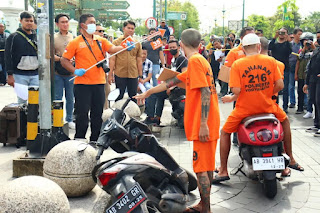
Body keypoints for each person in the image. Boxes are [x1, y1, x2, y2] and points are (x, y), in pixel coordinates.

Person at [135, 28, 220, 213]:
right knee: (207, 166)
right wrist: (147, 93)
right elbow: (171, 82)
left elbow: (205, 91)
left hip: (203, 123)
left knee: (200, 169)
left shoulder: (196, 61)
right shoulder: (199, 61)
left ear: (181, 44)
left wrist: (203, 124)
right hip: (207, 121)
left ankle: (206, 208)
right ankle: (204, 205)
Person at [215, 34, 303, 184]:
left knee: (225, 133)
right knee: (285, 122)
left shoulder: (238, 64)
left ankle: (223, 169)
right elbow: (280, 85)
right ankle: (291, 159)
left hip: (244, 110)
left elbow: (236, 90)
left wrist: (235, 96)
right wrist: (265, 94)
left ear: (243, 49)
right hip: (268, 107)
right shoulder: (270, 61)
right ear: (259, 47)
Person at [61, 13, 124, 143]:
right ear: (83, 25)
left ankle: (95, 139)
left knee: (97, 114)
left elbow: (112, 49)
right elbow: (64, 60)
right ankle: (79, 138)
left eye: (94, 22)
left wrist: (125, 46)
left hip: (99, 83)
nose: (94, 25)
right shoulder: (75, 42)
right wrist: (74, 71)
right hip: (82, 84)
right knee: (82, 113)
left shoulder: (100, 40)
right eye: (91, 22)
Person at [5, 11, 38, 104]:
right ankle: (22, 119)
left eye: (31, 21)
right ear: (21, 21)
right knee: (22, 102)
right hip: (19, 75)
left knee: (35, 102)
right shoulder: (13, 37)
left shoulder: (37, 37)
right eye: (26, 20)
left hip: (35, 74)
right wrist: (10, 75)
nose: (29, 23)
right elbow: (8, 56)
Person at [109, 20, 142, 102]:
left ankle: (133, 114)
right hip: (120, 73)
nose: (131, 30)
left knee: (133, 96)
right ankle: (118, 114)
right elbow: (112, 59)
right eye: (129, 28)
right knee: (119, 96)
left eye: (132, 28)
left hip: (133, 73)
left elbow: (139, 59)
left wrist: (140, 75)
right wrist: (110, 74)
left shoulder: (137, 43)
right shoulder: (116, 42)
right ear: (124, 28)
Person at [54, 14, 75, 129]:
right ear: (57, 24)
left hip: (71, 73)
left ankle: (69, 119)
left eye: (67, 21)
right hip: (58, 73)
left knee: (70, 98)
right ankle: (58, 119)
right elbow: (50, 54)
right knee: (57, 97)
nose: (65, 24)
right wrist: (61, 59)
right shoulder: (53, 38)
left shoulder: (73, 37)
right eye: (62, 22)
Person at [268, 27, 293, 113]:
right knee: (274, 88)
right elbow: (269, 47)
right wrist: (275, 37)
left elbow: (290, 50)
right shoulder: (275, 44)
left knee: (285, 88)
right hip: (274, 68)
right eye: (280, 32)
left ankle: (285, 106)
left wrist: (287, 39)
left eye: (284, 33)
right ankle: (275, 104)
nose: (281, 34)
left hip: (285, 68)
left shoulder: (287, 44)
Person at [303, 31, 320, 137]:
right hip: (313, 79)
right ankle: (317, 124)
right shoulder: (316, 50)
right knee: (313, 100)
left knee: (319, 101)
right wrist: (307, 83)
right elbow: (310, 66)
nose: (318, 39)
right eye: (317, 37)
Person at [295, 34, 315, 114]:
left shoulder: (314, 50)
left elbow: (315, 55)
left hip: (309, 75)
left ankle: (309, 110)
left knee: (310, 94)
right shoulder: (301, 50)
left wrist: (312, 47)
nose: (306, 43)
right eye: (304, 41)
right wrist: (304, 48)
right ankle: (300, 108)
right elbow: (299, 59)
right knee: (300, 91)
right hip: (301, 74)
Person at [94, 24, 110, 109]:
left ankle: (105, 115)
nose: (102, 33)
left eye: (103, 31)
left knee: (105, 94)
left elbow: (111, 54)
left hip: (103, 74)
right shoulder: (86, 44)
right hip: (91, 76)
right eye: (99, 31)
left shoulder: (104, 43)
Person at [288, 28, 303, 109]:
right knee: (291, 85)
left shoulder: (303, 45)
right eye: (299, 34)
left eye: (301, 34)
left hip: (301, 67)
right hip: (291, 66)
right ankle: (292, 102)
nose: (300, 36)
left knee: (302, 85)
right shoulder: (290, 45)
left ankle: (304, 102)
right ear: (294, 35)